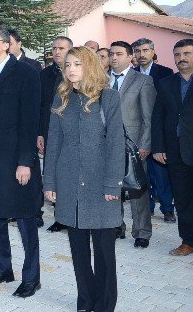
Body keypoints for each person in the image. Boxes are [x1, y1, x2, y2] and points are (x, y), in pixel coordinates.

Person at [44, 46, 124, 312]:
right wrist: (50, 183)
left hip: (101, 183)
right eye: (67, 65)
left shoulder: (109, 98)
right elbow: (54, 143)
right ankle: (85, 301)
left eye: (77, 64)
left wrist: (113, 183)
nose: (70, 69)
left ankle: (104, 305)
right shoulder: (61, 98)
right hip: (68, 182)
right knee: (78, 250)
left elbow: (116, 144)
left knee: (103, 253)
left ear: (89, 66)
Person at [0, 25, 42, 298]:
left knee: (25, 219)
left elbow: (30, 120)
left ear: (6, 44)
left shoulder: (26, 73)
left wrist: (26, 161)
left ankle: (31, 277)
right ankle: (3, 268)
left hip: (16, 161)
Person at [108, 41, 156, 247]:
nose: (114, 58)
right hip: (107, 144)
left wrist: (144, 144)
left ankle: (142, 232)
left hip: (134, 145)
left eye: (119, 54)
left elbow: (148, 117)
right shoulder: (101, 80)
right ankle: (116, 225)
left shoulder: (143, 81)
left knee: (137, 189)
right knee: (111, 187)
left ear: (130, 57)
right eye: (111, 54)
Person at [151, 39, 193, 256]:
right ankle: (187, 241)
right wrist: (157, 146)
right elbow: (157, 117)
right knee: (183, 199)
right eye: (177, 54)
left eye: (187, 53)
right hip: (176, 153)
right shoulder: (166, 83)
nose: (182, 58)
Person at [132, 37, 176, 223]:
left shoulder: (166, 73)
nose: (141, 54)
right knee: (141, 175)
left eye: (145, 50)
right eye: (137, 51)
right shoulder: (131, 74)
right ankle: (147, 208)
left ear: (152, 51)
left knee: (161, 173)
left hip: (159, 130)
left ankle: (167, 209)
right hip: (137, 132)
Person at [39, 36, 73, 232]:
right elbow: (40, 106)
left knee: (69, 174)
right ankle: (60, 218)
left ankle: (72, 216)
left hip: (71, 132)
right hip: (49, 131)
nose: (57, 51)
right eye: (54, 48)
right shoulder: (45, 75)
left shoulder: (76, 73)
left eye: (61, 48)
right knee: (52, 173)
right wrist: (39, 133)